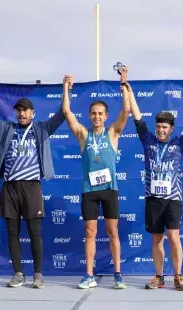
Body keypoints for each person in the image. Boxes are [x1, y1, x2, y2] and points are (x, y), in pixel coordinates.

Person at [0, 81, 67, 288]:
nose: (22, 114)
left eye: (25, 111)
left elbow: (61, 115)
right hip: (10, 187)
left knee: (35, 233)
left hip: (31, 187)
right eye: (19, 111)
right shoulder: (6, 129)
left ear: (32, 112)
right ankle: (18, 273)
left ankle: (38, 274)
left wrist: (67, 90)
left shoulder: (41, 129)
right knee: (12, 233)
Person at [123, 80, 183, 292]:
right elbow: (137, 118)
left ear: (171, 129)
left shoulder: (179, 143)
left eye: (164, 127)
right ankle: (159, 277)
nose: (160, 130)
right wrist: (129, 91)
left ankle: (178, 276)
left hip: (173, 199)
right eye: (158, 127)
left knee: (174, 237)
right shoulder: (148, 140)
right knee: (157, 238)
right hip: (153, 199)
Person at [62, 70, 130, 289]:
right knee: (90, 233)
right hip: (89, 190)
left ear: (106, 116)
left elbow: (126, 110)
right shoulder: (83, 134)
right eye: (93, 113)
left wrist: (123, 83)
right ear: (89, 116)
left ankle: (118, 274)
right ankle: (89, 275)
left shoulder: (113, 133)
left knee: (112, 232)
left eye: (100, 113)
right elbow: (66, 112)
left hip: (109, 189)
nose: (97, 117)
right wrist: (66, 88)